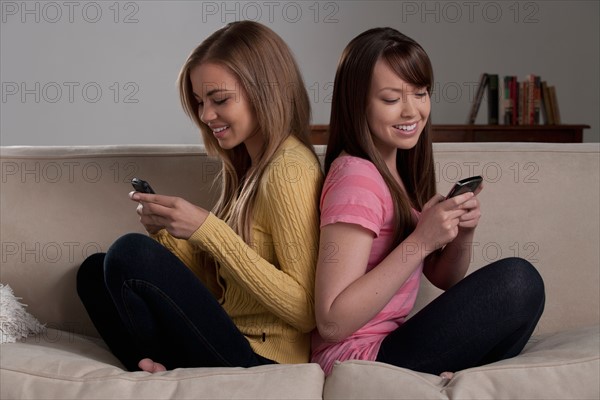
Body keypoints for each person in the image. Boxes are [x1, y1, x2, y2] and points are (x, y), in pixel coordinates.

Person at [77, 20, 323, 372]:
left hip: (262, 358)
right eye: (199, 101)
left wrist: (206, 229)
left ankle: (150, 366)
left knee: (129, 254)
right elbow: (218, 287)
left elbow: (306, 311)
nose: (206, 115)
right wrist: (168, 231)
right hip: (227, 334)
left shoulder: (290, 169)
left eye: (219, 99)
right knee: (92, 271)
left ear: (264, 92)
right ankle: (150, 367)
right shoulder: (245, 166)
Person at [311, 27, 545, 377]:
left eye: (420, 93)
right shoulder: (355, 177)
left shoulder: (397, 171)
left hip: (390, 344)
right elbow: (331, 321)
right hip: (358, 358)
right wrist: (420, 241)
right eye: (391, 99)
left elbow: (444, 278)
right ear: (356, 103)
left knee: (523, 289)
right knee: (517, 281)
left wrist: (459, 232)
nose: (411, 111)